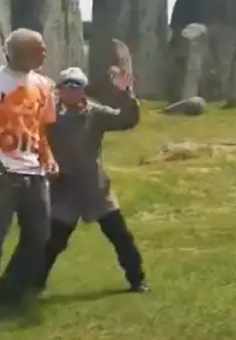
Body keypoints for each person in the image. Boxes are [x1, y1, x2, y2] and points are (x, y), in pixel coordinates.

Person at [37, 66, 148, 293]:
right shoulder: (49, 115)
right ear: (59, 90)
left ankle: (137, 280)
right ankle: (34, 284)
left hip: (96, 189)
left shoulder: (95, 113)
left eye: (76, 85)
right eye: (66, 85)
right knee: (53, 242)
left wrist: (125, 93)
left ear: (83, 90)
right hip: (63, 189)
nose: (71, 90)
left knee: (120, 237)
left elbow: (126, 120)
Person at [0, 29, 59, 306]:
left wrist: (48, 157)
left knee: (38, 237)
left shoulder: (45, 85)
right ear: (16, 51)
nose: (44, 53)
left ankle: (9, 293)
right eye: (39, 49)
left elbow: (41, 128)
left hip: (33, 173)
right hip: (3, 173)